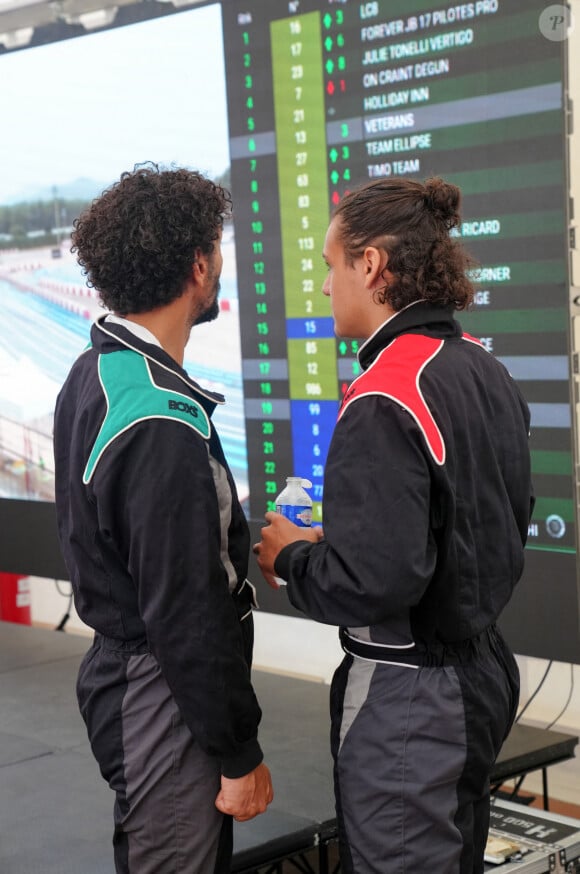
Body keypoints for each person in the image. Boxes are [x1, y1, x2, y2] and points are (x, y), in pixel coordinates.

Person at [254, 176, 533, 874]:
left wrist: (293, 560)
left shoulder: (383, 394)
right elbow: (485, 522)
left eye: (328, 264)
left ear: (371, 266)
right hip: (483, 672)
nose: (322, 286)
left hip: (411, 697)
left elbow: (375, 581)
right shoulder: (484, 369)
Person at [53, 163, 273, 874]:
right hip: (163, 693)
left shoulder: (95, 371)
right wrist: (239, 752)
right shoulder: (159, 420)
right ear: (200, 266)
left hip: (134, 679)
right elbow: (184, 609)